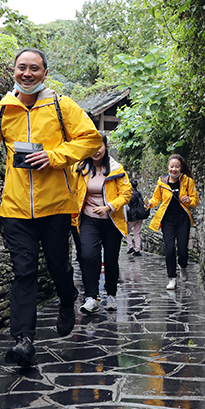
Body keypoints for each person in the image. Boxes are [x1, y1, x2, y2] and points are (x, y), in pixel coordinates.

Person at [0, 48, 103, 366]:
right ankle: (24, 340)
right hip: (15, 208)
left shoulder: (61, 105)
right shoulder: (2, 110)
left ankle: (68, 296)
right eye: (21, 68)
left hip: (56, 205)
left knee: (58, 266)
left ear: (44, 73)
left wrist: (54, 156)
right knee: (24, 271)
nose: (27, 73)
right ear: (14, 71)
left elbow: (91, 139)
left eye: (34, 69)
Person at [73, 134, 132, 314]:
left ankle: (111, 294)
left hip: (112, 221)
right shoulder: (80, 168)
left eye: (100, 146)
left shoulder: (116, 169)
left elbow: (126, 193)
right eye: (93, 146)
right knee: (89, 256)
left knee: (111, 260)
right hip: (88, 220)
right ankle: (92, 297)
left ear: (106, 147)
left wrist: (109, 207)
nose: (96, 150)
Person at [146, 154, 199, 290]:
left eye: (177, 166)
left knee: (182, 250)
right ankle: (172, 278)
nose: (174, 169)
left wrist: (189, 200)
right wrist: (150, 204)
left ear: (181, 167)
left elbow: (195, 200)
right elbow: (156, 198)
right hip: (167, 220)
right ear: (168, 167)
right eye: (172, 166)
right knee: (169, 250)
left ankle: (183, 266)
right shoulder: (162, 182)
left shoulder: (187, 181)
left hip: (183, 219)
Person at [123, 185, 148, 256]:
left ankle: (130, 247)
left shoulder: (130, 195)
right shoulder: (139, 193)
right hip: (140, 217)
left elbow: (127, 207)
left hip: (132, 217)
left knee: (126, 232)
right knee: (137, 233)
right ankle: (137, 249)